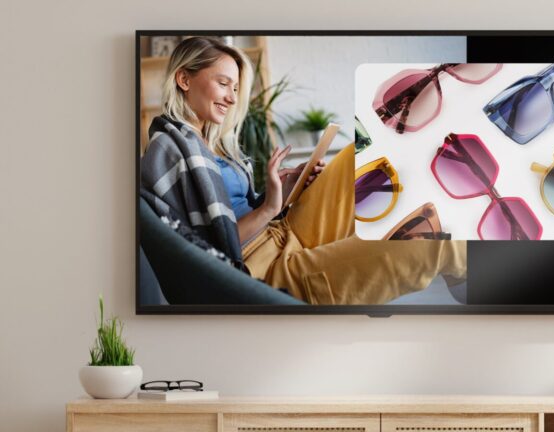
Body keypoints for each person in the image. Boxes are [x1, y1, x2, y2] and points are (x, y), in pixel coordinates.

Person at [141, 37, 466, 305]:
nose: (231, 97)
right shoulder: (168, 149)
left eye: (236, 88)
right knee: (433, 238)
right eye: (224, 83)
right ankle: (483, 266)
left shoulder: (206, 145)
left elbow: (232, 213)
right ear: (184, 79)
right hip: (262, 269)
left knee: (363, 151)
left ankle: (464, 195)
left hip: (280, 231)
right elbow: (206, 253)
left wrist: (280, 191)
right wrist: (269, 208)